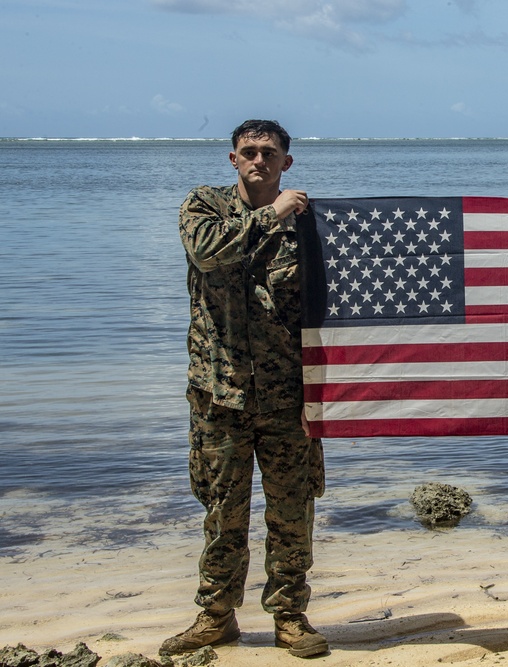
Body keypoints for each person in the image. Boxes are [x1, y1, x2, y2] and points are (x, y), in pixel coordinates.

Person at [160, 120, 328, 659]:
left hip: (287, 398)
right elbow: (210, 253)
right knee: (222, 513)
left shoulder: (311, 226)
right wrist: (273, 214)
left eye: (270, 153)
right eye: (249, 152)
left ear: (287, 163)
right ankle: (215, 617)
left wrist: (325, 393)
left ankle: (290, 617)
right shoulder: (203, 207)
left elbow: (328, 308)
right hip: (220, 394)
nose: (259, 160)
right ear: (232, 158)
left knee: (291, 511)